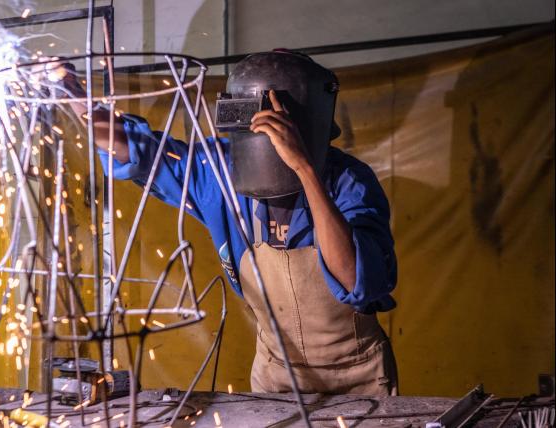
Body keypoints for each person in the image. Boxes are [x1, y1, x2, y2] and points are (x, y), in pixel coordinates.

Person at [58, 51, 398, 395]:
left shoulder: (348, 181)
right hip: (276, 374)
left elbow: (358, 281)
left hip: (357, 376)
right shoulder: (218, 171)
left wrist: (303, 169)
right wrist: (68, 86)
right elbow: (130, 148)